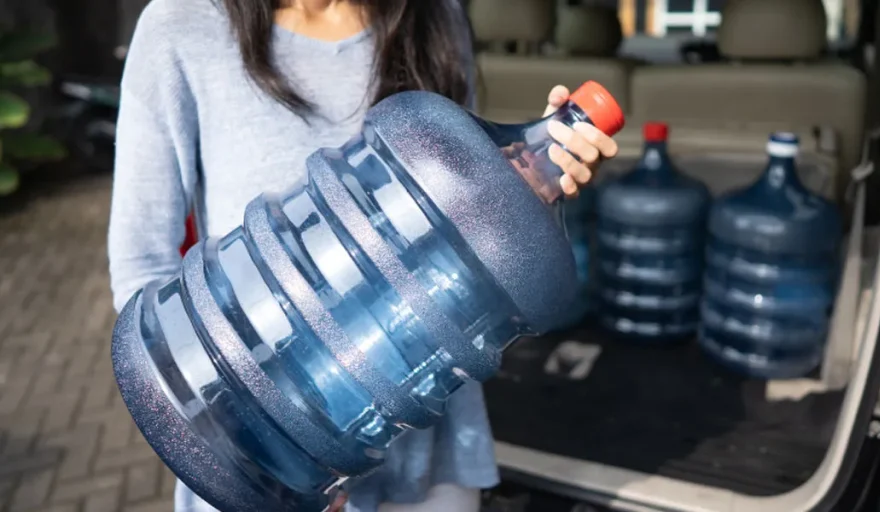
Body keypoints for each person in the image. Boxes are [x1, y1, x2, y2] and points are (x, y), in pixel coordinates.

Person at [106, 0, 619, 511]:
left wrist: (534, 178)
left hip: (422, 442)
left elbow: (465, 204)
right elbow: (141, 261)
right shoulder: (183, 25)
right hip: (262, 451)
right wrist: (265, 457)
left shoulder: (435, 16)